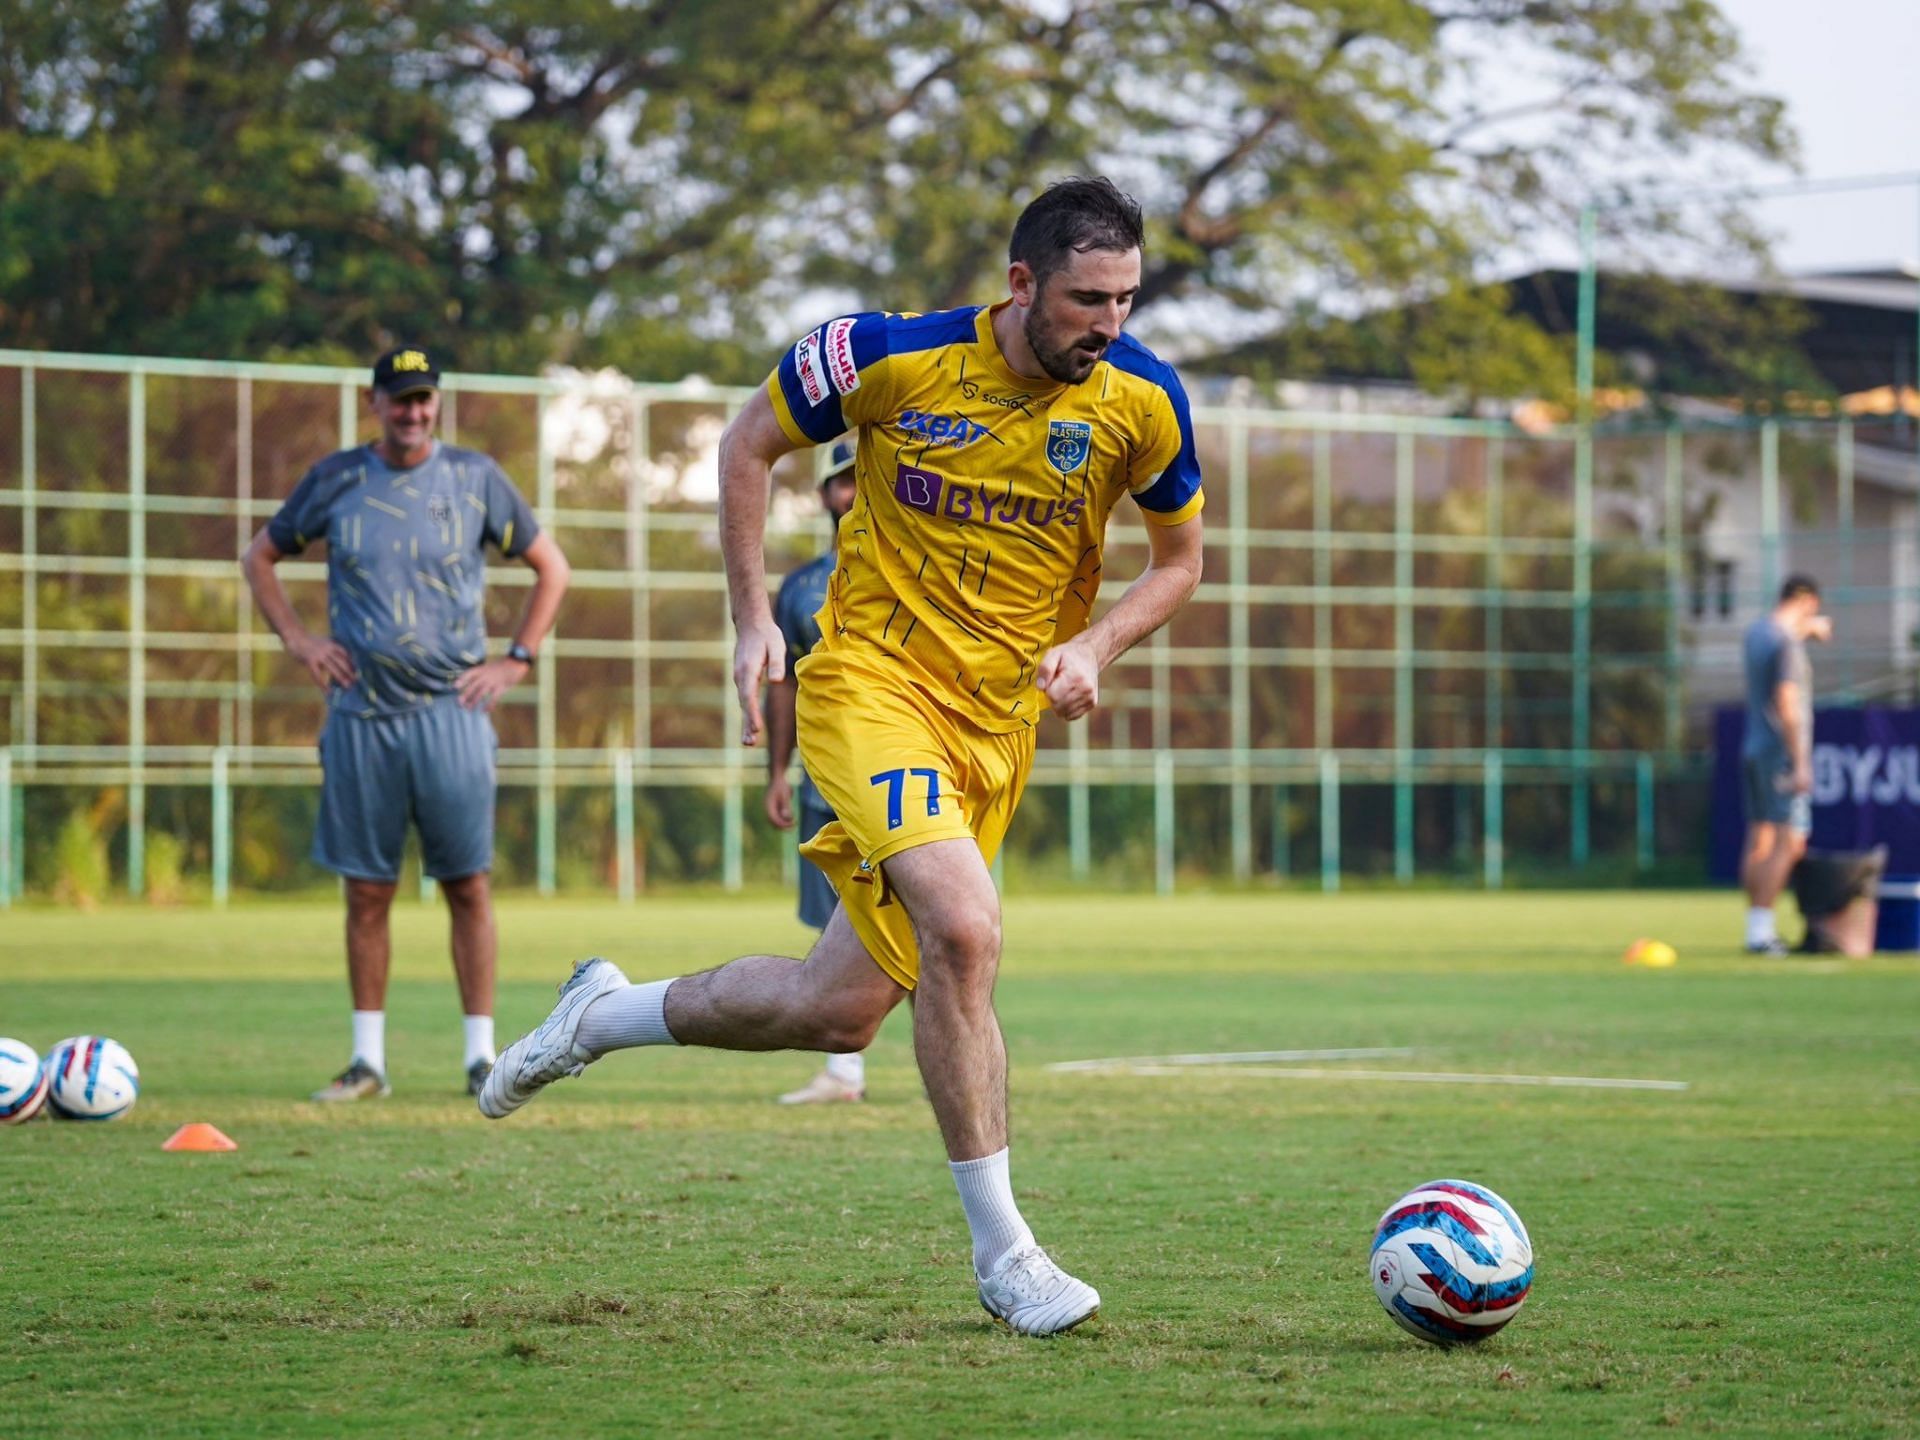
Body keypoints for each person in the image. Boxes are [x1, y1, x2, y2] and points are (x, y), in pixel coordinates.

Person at [480, 177, 1205, 1337]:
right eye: (1086, 300)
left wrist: (1098, 642)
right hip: (868, 686)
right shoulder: (883, 354)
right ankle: (1007, 1255)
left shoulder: (1144, 400)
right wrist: (752, 620)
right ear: (1022, 284)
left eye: (1125, 299)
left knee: (839, 1011)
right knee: (966, 931)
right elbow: (746, 444)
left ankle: (600, 1017)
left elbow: (1180, 562)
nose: (1110, 324)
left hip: (993, 727)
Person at [242, 346, 571, 1099]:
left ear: (437, 404)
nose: (413, 412)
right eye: (401, 399)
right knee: (367, 892)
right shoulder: (336, 480)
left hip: (449, 713)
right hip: (361, 715)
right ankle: (368, 1064)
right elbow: (259, 556)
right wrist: (300, 641)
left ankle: (482, 1059)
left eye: (425, 400)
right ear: (375, 401)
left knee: (469, 886)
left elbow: (553, 566)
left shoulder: (475, 478)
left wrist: (516, 658)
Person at [766, 439, 867, 1105]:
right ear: (826, 495)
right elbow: (783, 687)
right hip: (823, 778)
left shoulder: (919, 569)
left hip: (902, 774)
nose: (854, 493)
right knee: (833, 928)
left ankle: (948, 1067)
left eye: (866, 479)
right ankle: (844, 1075)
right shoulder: (800, 587)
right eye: (843, 482)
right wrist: (775, 770)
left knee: (930, 920)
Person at [1739, 574, 1831, 955]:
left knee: (1759, 839)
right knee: (1790, 842)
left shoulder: (1757, 633)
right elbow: (1787, 702)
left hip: (1753, 746)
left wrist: (1805, 630)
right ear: (1808, 600)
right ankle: (1761, 932)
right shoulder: (1788, 645)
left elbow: (1777, 638)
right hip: (1780, 753)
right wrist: (1801, 762)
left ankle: (1754, 927)